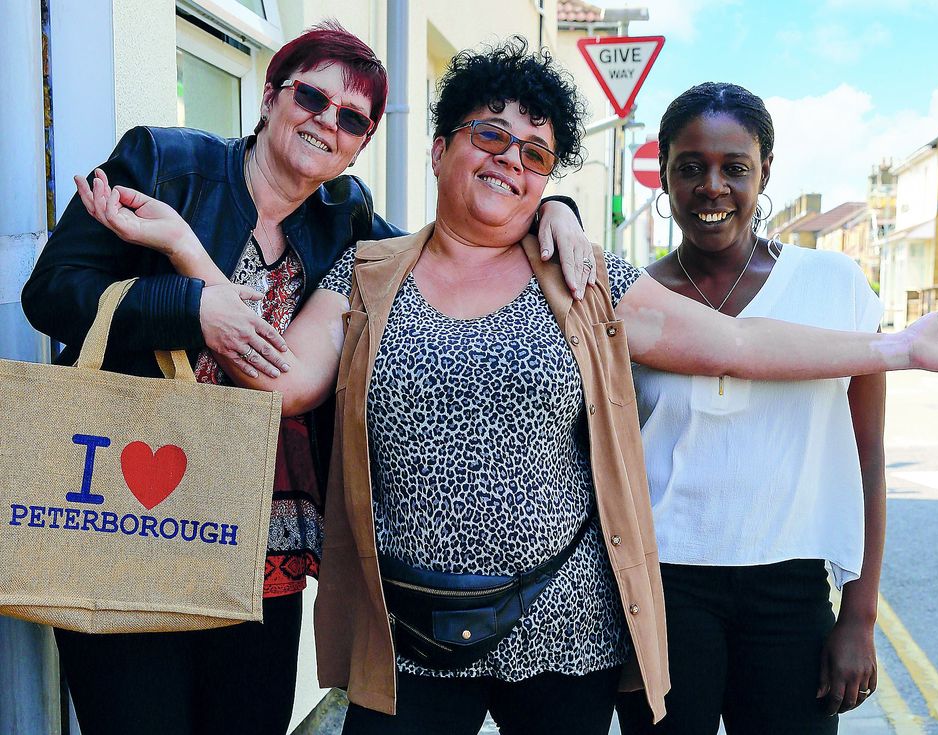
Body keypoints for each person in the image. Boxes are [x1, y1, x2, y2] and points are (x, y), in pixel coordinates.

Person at [73, 40, 938, 735]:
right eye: (491, 135)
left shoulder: (584, 279)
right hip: (409, 633)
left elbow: (738, 344)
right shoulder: (368, 271)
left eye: (536, 154)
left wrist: (897, 347)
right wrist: (188, 255)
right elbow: (283, 384)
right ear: (440, 149)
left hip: (564, 630)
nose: (511, 159)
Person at [19, 21, 588, 735]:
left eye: (352, 118)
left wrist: (555, 210)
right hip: (126, 510)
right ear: (270, 96)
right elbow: (51, 292)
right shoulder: (163, 164)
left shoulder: (346, 220)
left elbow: (450, 243)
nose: (327, 122)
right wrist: (190, 308)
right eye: (312, 98)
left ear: (362, 142)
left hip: (263, 541)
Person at [614, 83, 888, 734]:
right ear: (665, 174)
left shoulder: (836, 286)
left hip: (790, 590)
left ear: (765, 171)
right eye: (690, 166)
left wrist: (859, 614)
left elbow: (868, 458)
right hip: (662, 589)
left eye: (734, 166)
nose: (712, 186)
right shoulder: (632, 297)